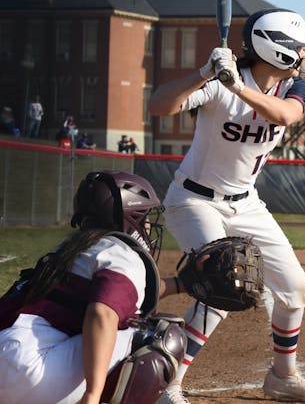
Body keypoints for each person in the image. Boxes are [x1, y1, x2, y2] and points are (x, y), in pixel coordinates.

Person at [148, 8, 305, 404]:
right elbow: (159, 106)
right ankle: (170, 386)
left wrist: (236, 86)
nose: (303, 55)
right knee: (224, 282)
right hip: (194, 200)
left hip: (246, 203)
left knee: (295, 289)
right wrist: (204, 73)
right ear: (277, 50)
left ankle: (282, 377)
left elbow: (284, 114)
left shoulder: (294, 89)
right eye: (297, 48)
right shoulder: (218, 83)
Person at [0, 170, 188, 404]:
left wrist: (182, 284)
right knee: (158, 333)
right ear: (128, 217)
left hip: (9, 354)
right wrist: (92, 393)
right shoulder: (123, 254)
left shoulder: (69, 249)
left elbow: (132, 293)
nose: (148, 224)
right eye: (144, 215)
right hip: (34, 377)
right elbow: (102, 313)